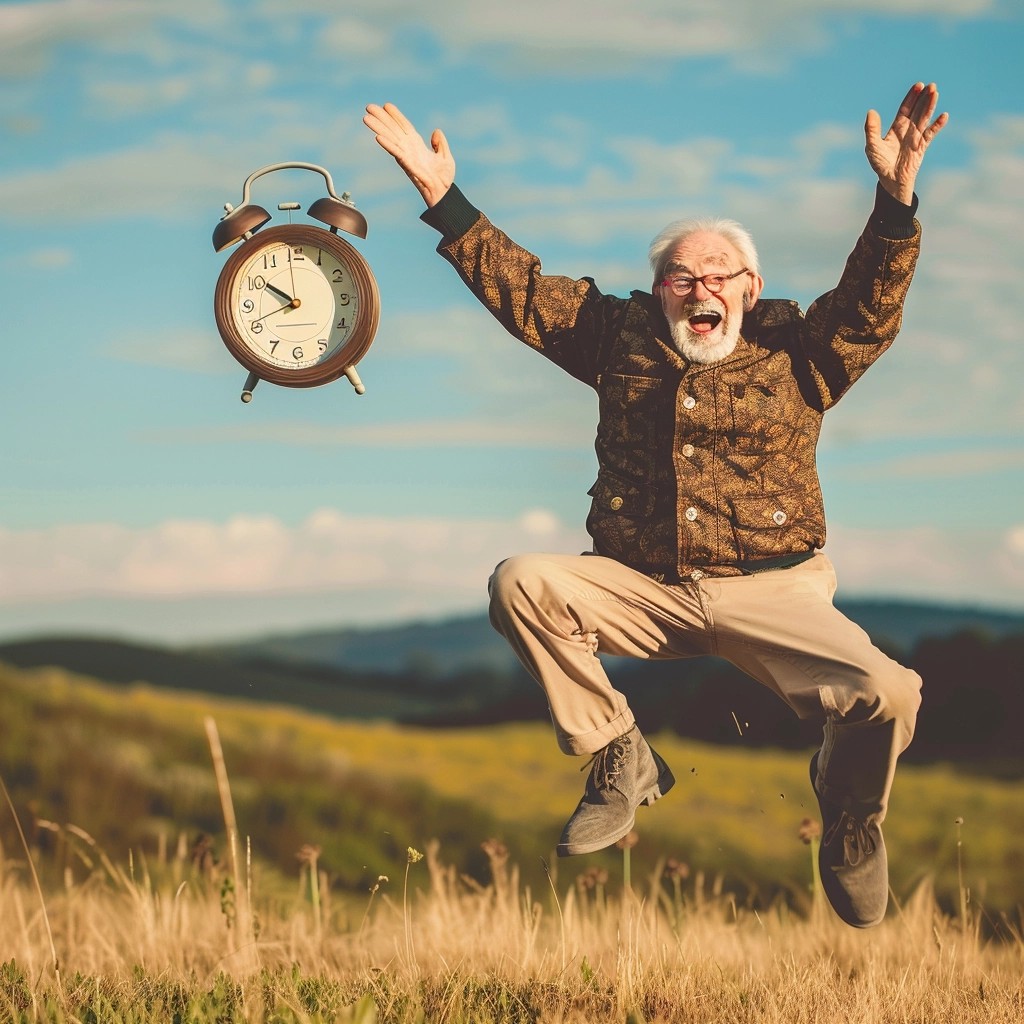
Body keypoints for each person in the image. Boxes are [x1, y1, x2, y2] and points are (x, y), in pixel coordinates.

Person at [363, 84, 947, 929]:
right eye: (681, 274)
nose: (698, 287)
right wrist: (441, 198)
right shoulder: (617, 338)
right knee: (521, 581)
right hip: (641, 584)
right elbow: (522, 291)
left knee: (887, 695)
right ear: (660, 289)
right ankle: (619, 756)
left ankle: (851, 819)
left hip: (773, 591)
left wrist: (895, 202)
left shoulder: (801, 352)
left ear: (750, 288)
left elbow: (869, 307)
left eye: (718, 274)